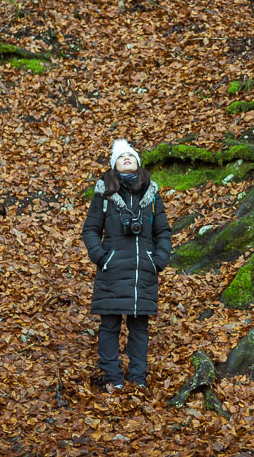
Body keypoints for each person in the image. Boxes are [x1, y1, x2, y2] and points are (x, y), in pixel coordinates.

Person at [81, 139, 172, 391]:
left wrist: (158, 260)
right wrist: (102, 256)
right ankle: (112, 378)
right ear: (114, 166)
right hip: (112, 270)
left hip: (143, 270)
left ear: (138, 163)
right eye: (121, 157)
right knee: (109, 326)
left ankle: (137, 378)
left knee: (139, 328)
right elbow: (90, 230)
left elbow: (163, 231)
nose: (127, 159)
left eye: (131, 156)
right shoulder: (104, 194)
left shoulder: (151, 195)